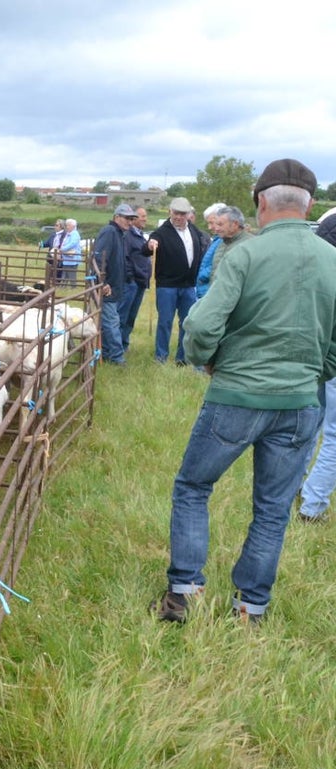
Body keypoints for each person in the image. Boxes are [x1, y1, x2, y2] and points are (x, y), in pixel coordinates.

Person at [155, 158, 336, 624]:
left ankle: (184, 594)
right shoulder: (332, 259)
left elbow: (200, 325)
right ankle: (250, 608)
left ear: (260, 202)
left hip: (236, 395)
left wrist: (209, 361)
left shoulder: (244, 255)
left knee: (194, 486)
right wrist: (314, 374)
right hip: (300, 402)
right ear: (310, 204)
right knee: (273, 508)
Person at [298, 219, 336, 521]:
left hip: (316, 351)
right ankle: (312, 505)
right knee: (333, 434)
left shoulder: (317, 265)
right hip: (326, 353)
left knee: (311, 422)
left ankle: (296, 485)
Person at [145, 196, 208, 365]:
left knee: (187, 323)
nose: (179, 217)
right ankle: (161, 357)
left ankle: (182, 358)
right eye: (176, 214)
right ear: (170, 212)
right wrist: (150, 245)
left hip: (189, 285)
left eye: (182, 214)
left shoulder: (194, 231)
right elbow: (146, 249)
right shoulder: (161, 232)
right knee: (165, 321)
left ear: (188, 214)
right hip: (167, 286)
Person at [90, 204, 138, 365]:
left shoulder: (119, 234)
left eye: (132, 219)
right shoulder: (110, 232)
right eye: (127, 218)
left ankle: (107, 353)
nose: (130, 222)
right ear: (117, 217)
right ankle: (117, 358)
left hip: (114, 287)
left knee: (108, 322)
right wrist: (101, 282)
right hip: (106, 288)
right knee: (112, 323)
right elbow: (98, 258)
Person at [119, 207, 152, 352]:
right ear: (133, 219)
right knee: (123, 316)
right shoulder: (128, 235)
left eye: (146, 216)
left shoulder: (140, 235)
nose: (145, 219)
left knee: (131, 317)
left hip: (140, 282)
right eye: (142, 216)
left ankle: (124, 344)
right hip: (131, 282)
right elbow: (125, 258)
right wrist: (130, 278)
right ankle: (116, 346)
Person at [210, 204, 254, 277]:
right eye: (216, 225)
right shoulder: (221, 244)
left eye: (220, 224)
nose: (216, 229)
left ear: (235, 224)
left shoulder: (251, 245)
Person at [193, 203, 226, 299]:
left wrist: (202, 276)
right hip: (205, 292)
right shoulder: (217, 239)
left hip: (211, 293)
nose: (209, 227)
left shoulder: (225, 241)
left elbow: (219, 265)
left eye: (211, 222)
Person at [56, 218, 82, 285]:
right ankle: (63, 285)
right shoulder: (69, 234)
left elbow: (72, 244)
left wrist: (62, 249)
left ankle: (72, 286)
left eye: (68, 225)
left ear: (73, 226)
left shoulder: (75, 234)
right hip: (68, 258)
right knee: (65, 272)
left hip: (73, 258)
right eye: (66, 225)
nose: (67, 227)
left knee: (71, 273)